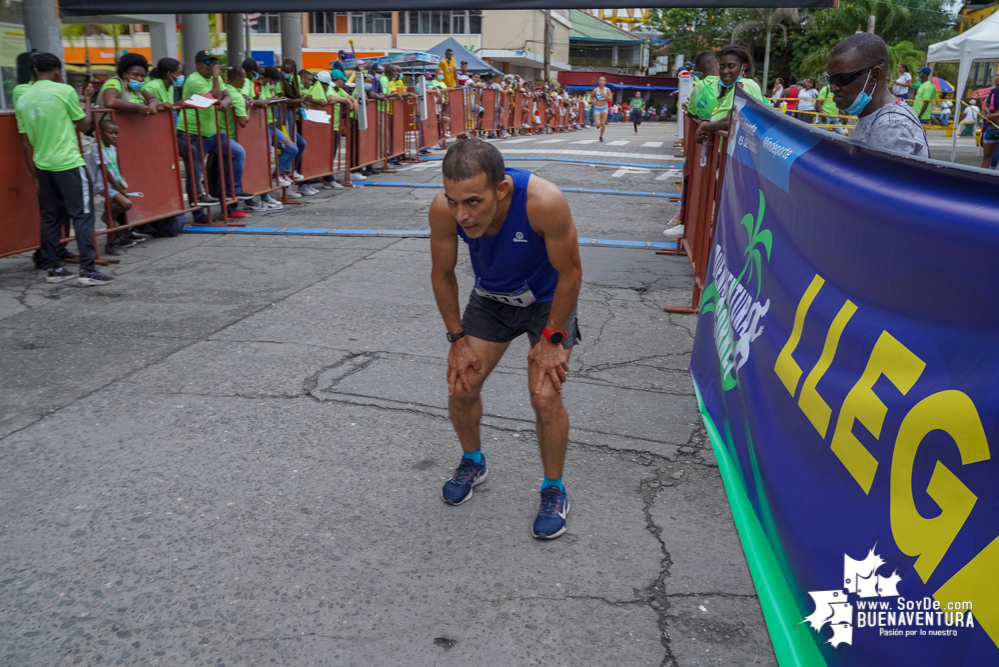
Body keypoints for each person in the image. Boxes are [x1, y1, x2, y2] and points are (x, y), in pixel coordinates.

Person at [429, 139, 582, 540]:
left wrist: (552, 338)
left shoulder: (544, 201)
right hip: (492, 299)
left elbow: (571, 273)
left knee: (545, 397)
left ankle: (553, 488)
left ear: (502, 190)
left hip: (548, 303)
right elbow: (442, 274)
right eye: (453, 200)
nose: (462, 214)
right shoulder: (445, 210)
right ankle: (472, 460)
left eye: (474, 202)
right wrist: (456, 338)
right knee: (461, 385)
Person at [15, 53, 112, 285]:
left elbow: (25, 143)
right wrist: (87, 100)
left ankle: (53, 269)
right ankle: (88, 271)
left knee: (50, 217)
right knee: (83, 215)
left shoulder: (22, 98)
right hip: (68, 162)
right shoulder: (65, 91)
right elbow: (84, 125)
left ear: (36, 71)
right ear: (58, 71)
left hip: (42, 164)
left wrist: (34, 175)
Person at [826, 33, 929, 157]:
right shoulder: (874, 117)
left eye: (841, 78)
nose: (833, 88)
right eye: (829, 79)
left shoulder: (889, 126)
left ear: (874, 75)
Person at [696, 44, 768, 141]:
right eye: (722, 67)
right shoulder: (730, 89)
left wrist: (705, 126)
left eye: (731, 66)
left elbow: (731, 121)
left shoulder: (745, 85)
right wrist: (707, 122)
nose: (725, 71)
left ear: (744, 67)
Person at [86, 118, 133, 255]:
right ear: (100, 133)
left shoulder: (112, 148)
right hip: (103, 185)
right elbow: (104, 170)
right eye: (110, 133)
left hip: (113, 184)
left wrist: (120, 181)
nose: (114, 136)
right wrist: (117, 188)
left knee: (113, 214)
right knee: (126, 204)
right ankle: (106, 214)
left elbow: (114, 167)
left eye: (116, 133)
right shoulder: (96, 148)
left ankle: (110, 244)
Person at [280, 58, 311, 191]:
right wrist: (300, 100)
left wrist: (301, 102)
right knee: (289, 146)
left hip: (292, 114)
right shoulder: (280, 82)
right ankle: (283, 173)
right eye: (285, 71)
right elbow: (283, 100)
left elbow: (295, 96)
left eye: (289, 71)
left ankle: (291, 171)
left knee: (300, 144)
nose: (287, 74)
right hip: (283, 116)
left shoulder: (295, 80)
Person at [689, 51, 720, 121]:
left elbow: (691, 113)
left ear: (700, 73)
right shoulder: (726, 82)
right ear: (718, 63)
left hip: (706, 126)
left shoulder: (699, 85)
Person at [980, 72, 999, 168]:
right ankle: (983, 176)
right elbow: (986, 106)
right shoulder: (994, 91)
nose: (997, 77)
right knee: (987, 154)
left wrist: (995, 115)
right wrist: (989, 115)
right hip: (991, 126)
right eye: (996, 75)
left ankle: (992, 171)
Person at [591, 76, 612, 142]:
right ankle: (598, 124)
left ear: (605, 82)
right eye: (600, 80)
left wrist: (605, 95)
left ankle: (601, 136)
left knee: (603, 123)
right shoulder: (595, 90)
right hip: (597, 108)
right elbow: (591, 97)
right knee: (597, 124)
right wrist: (592, 101)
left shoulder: (607, 89)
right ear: (598, 81)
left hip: (604, 108)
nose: (601, 81)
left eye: (603, 80)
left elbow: (611, 100)